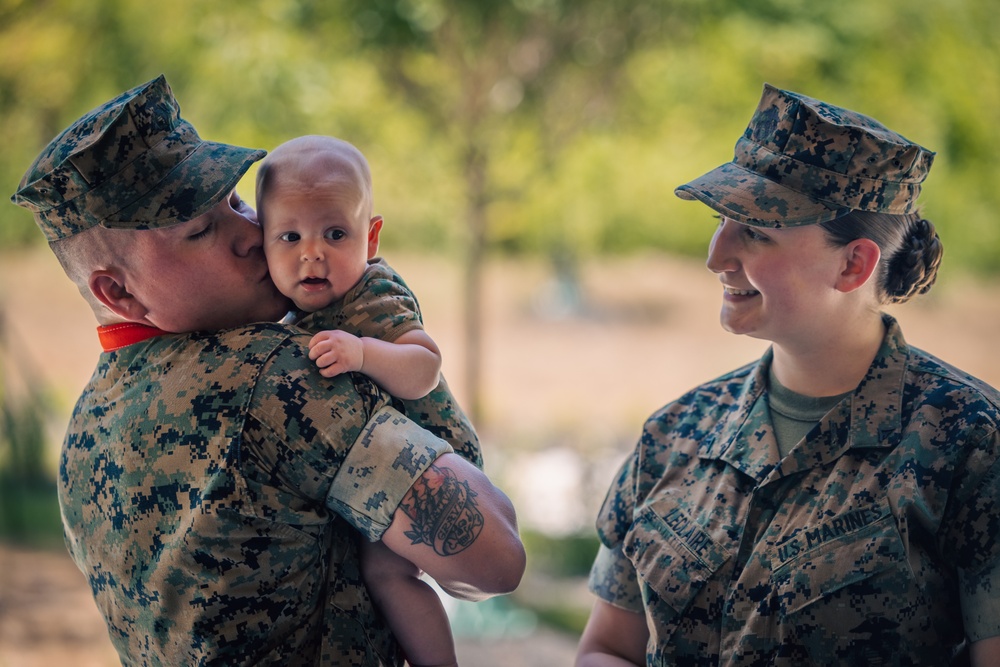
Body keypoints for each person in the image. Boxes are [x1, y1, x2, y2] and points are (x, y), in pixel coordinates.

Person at [10, 75, 525, 666]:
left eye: (234, 202)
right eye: (202, 230)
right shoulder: (275, 378)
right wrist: (379, 320)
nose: (253, 235)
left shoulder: (83, 430)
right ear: (117, 292)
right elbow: (495, 558)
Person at [575, 83, 1000, 666]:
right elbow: (607, 648)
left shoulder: (970, 444)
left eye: (755, 231)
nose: (716, 254)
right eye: (722, 220)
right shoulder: (675, 434)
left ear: (853, 264)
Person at [255, 134, 480, 667]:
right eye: (289, 236)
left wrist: (362, 352)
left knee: (389, 573)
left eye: (336, 233)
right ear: (261, 242)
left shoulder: (373, 295)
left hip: (434, 455)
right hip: (381, 468)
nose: (313, 252)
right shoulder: (293, 306)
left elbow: (424, 366)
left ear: (370, 236)